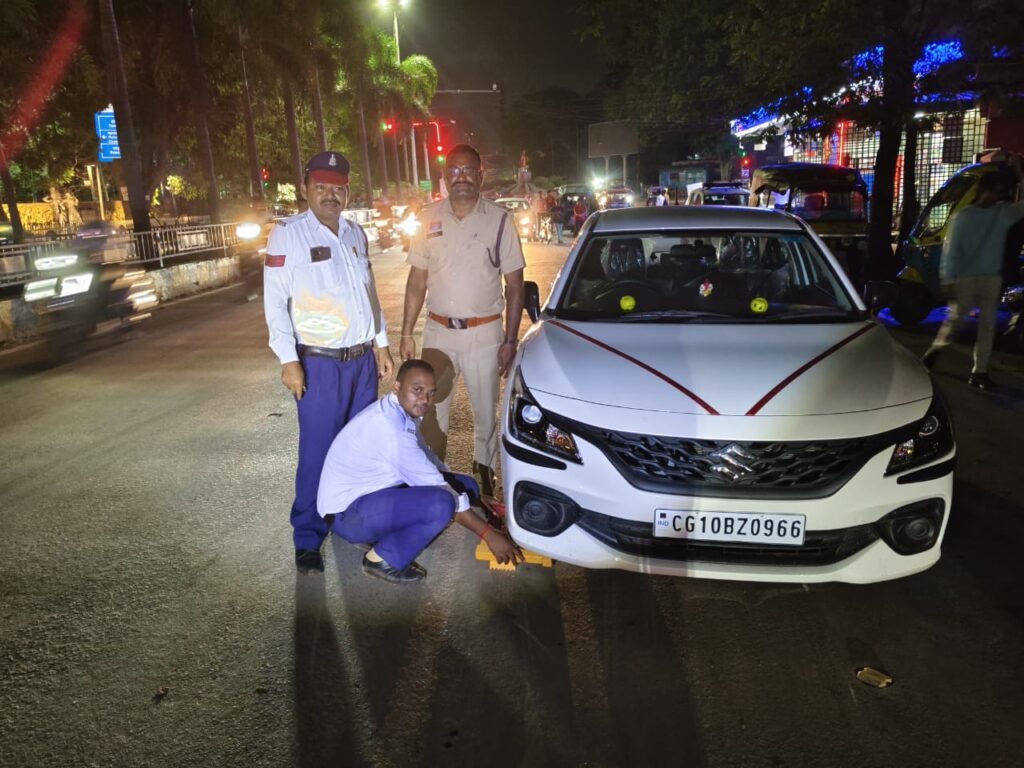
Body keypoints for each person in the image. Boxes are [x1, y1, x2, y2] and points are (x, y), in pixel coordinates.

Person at [263, 150, 395, 573]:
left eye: (338, 188)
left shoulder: (355, 233)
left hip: (361, 361)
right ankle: (308, 535)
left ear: (347, 191)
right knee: (317, 452)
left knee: (359, 449)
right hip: (319, 364)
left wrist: (381, 344)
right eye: (321, 187)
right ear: (306, 189)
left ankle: (351, 522)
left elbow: (369, 294)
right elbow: (274, 303)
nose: (330, 195)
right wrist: (289, 360)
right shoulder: (288, 235)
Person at [318, 359, 524, 583]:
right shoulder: (391, 430)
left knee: (468, 487)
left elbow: (427, 457)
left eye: (430, 392)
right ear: (397, 386)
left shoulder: (398, 410)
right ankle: (382, 559)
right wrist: (489, 535)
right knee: (441, 505)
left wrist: (478, 499)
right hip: (346, 515)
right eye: (417, 390)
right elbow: (441, 488)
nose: (425, 399)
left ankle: (385, 532)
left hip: (370, 494)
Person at [400, 144, 526, 498]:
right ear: (444, 176)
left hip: (484, 334)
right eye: (454, 171)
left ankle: (484, 479)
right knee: (431, 411)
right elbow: (416, 281)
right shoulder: (428, 218)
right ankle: (433, 479)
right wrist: (407, 332)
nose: (462, 178)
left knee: (485, 414)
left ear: (480, 175)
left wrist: (510, 340)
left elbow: (515, 286)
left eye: (469, 170)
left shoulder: (500, 220)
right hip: (438, 334)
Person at [922, 161, 1024, 390]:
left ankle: (980, 372)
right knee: (955, 322)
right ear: (982, 190)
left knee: (987, 326)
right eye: (991, 191)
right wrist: (948, 279)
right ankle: (936, 350)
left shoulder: (1000, 213)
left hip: (991, 277)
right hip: (966, 278)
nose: (993, 196)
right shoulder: (965, 217)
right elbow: (951, 251)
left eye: (997, 193)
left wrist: (1021, 175)